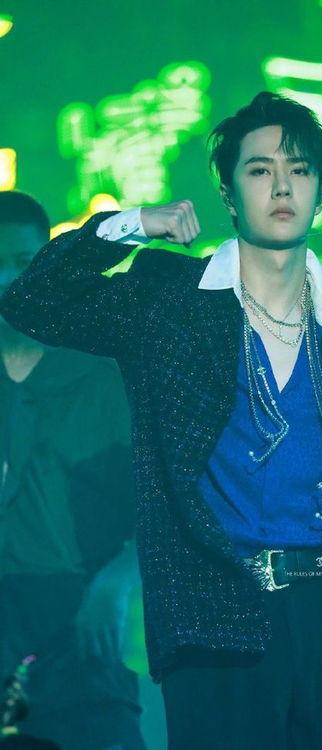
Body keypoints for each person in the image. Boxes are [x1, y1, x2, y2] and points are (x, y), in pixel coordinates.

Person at [0, 93, 322, 750]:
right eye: (259, 170)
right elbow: (35, 300)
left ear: (321, 190)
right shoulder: (167, 302)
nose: (281, 185)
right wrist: (132, 224)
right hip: (214, 609)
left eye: (300, 169)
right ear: (228, 192)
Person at [0, 192, 146, 750]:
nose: (9, 279)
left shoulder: (102, 375)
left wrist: (115, 582)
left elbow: (159, 504)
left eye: (24, 261)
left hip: (82, 632)